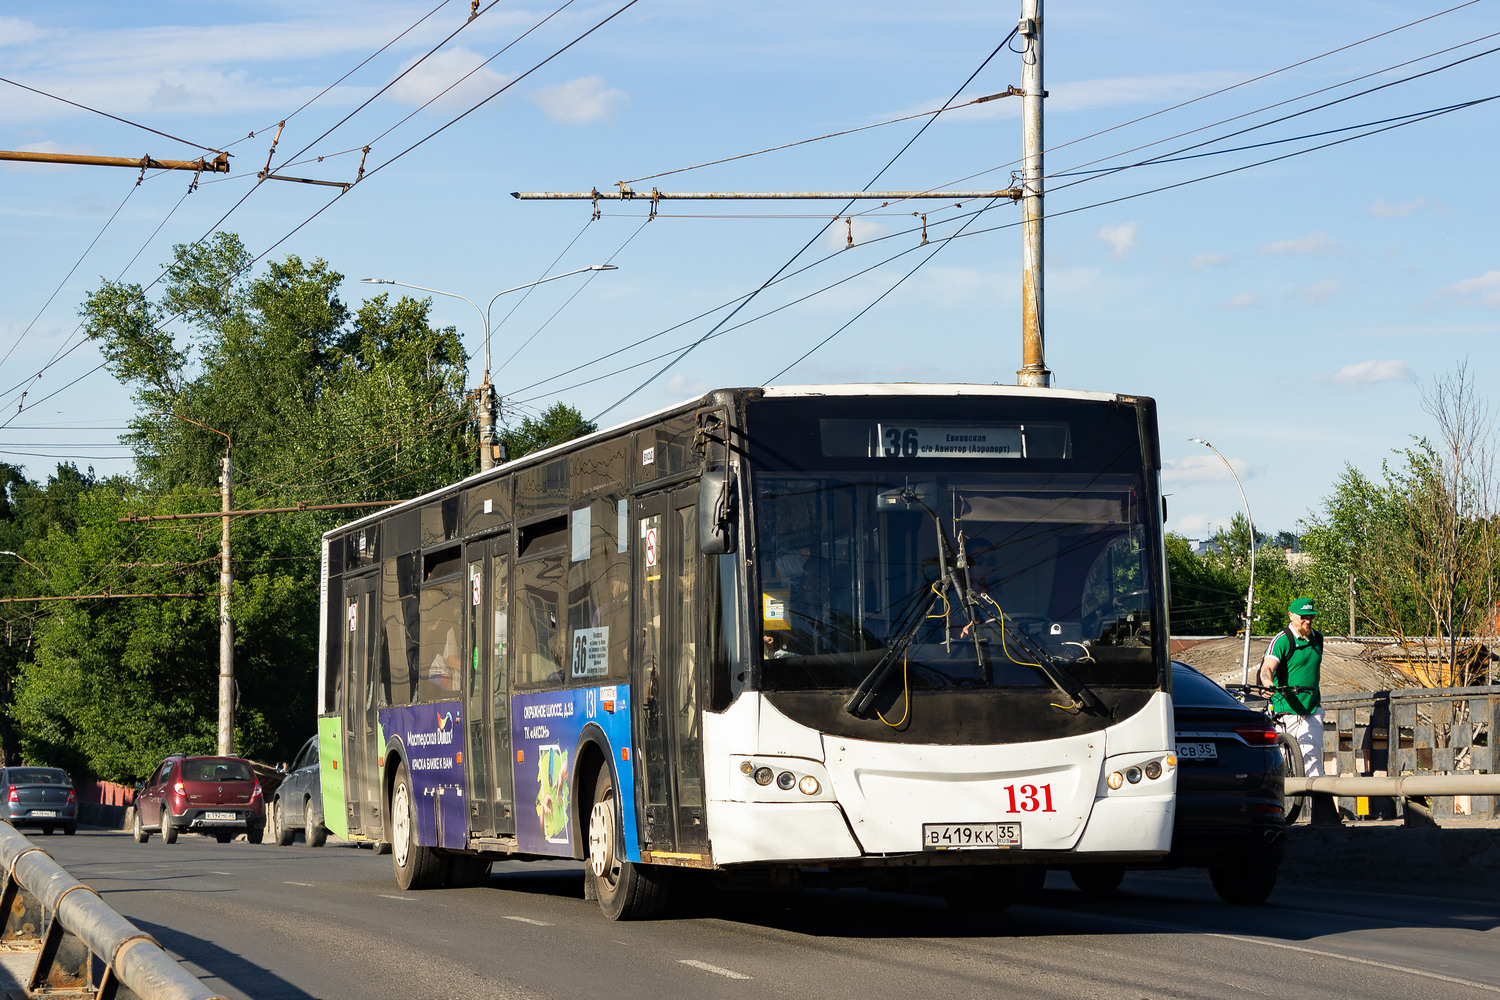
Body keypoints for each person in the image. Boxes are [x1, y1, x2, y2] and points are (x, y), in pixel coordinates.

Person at [1258, 597, 1325, 777]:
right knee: (1280, 764)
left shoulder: (1318, 639)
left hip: (1311, 709)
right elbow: (1267, 668)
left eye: (1310, 616)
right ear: (1291, 615)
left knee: (1313, 761)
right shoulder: (1282, 640)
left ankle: (1316, 803)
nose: (1307, 621)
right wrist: (1268, 684)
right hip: (1285, 711)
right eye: (1303, 616)